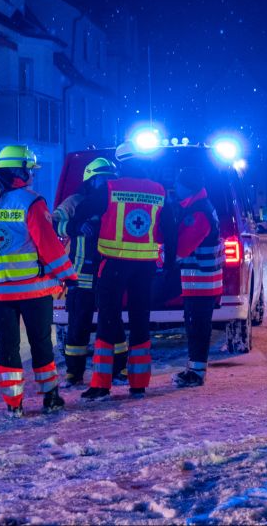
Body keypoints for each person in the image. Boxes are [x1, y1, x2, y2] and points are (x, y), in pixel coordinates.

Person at [0, 145, 77, 417]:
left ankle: (13, 404)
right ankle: (50, 398)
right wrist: (67, 275)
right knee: (40, 343)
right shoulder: (31, 201)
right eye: (29, 169)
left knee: (7, 347)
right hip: (32, 289)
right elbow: (48, 244)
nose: (32, 174)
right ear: (20, 171)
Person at [81, 141, 176, 400]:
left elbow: (82, 209)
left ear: (121, 163)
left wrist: (83, 225)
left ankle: (101, 384)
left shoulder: (111, 188)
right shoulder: (159, 191)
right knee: (140, 321)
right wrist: (169, 265)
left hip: (113, 265)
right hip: (145, 268)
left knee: (108, 321)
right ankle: (138, 383)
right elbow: (170, 228)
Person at [52, 157, 120, 387]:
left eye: (111, 179)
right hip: (81, 273)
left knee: (112, 323)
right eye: (103, 179)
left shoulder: (116, 201)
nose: (107, 183)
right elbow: (53, 223)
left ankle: (117, 371)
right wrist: (74, 227)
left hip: (109, 272)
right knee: (77, 325)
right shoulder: (75, 202)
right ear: (90, 180)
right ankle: (74, 373)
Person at [170, 167, 224, 388]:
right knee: (196, 327)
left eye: (179, 184)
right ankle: (194, 370)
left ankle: (197, 374)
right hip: (202, 283)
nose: (175, 188)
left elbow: (182, 248)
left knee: (197, 328)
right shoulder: (200, 207)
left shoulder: (198, 212)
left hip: (201, 284)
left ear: (188, 187)